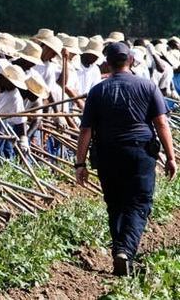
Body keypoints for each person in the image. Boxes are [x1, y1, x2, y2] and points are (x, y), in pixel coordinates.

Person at [75, 42, 177, 276]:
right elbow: (161, 123)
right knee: (139, 203)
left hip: (107, 154)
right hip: (139, 153)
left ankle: (121, 251)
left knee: (115, 203)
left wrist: (80, 164)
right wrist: (171, 157)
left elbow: (86, 130)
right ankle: (125, 251)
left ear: (108, 63)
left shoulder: (97, 90)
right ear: (131, 61)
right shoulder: (147, 86)